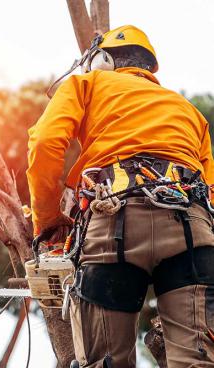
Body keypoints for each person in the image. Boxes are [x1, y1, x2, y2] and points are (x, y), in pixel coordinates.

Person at [26, 25, 214, 367]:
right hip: (192, 232)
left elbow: (44, 144)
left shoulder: (87, 84)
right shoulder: (188, 111)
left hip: (114, 223)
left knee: (105, 362)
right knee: (198, 362)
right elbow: (212, 191)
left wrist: (49, 221)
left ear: (101, 60)